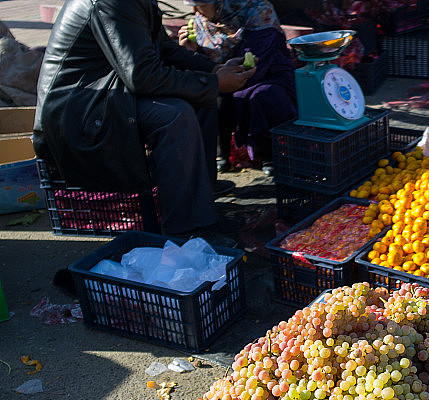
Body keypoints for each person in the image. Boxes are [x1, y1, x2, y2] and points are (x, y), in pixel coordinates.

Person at [33, 0, 255, 236]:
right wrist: (213, 82)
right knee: (174, 115)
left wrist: (213, 71)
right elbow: (141, 75)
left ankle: (200, 202)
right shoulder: (114, 3)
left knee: (201, 96)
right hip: (79, 110)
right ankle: (187, 228)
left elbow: (163, 49)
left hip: (109, 92)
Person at [177, 0, 297, 172]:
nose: (201, 12)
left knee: (262, 96)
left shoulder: (258, 10)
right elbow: (204, 64)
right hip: (225, 75)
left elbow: (253, 60)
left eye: (205, 6)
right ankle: (220, 155)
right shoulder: (200, 21)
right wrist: (190, 52)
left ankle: (268, 156)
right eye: (197, 7)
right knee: (213, 97)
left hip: (267, 72)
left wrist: (222, 74)